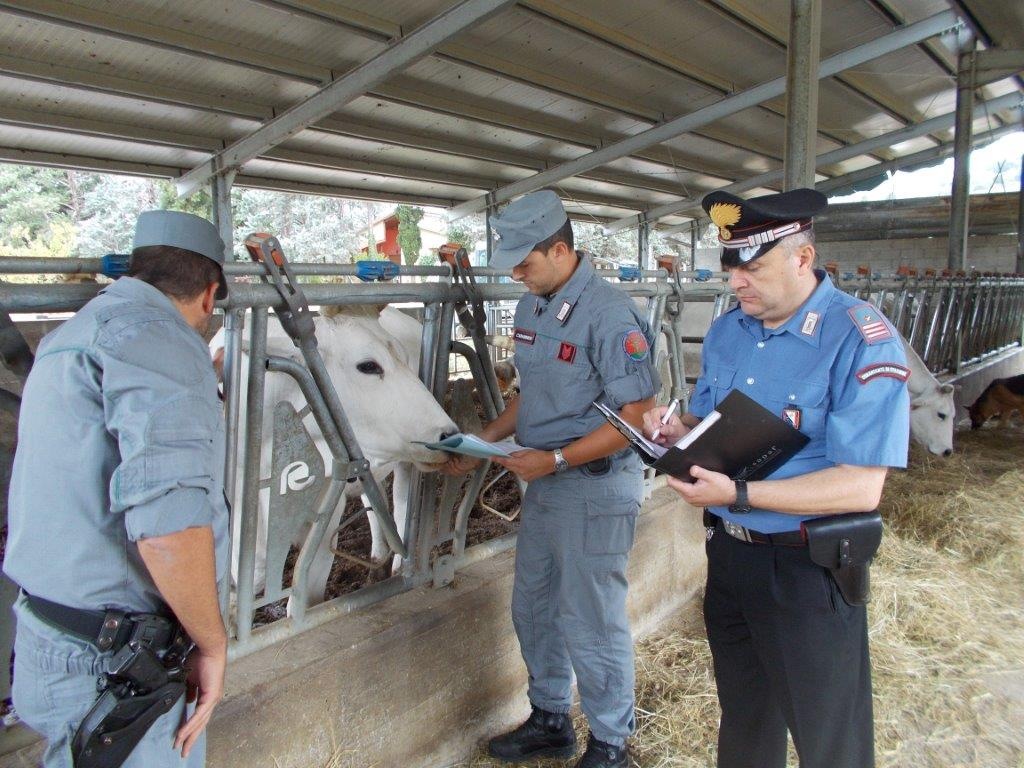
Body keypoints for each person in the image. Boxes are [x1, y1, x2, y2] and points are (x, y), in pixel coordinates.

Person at [643, 188, 910, 768]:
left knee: (827, 737)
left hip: (806, 568)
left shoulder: (858, 338)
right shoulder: (728, 331)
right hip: (731, 557)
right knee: (745, 719)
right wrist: (676, 432)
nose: (738, 282)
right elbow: (712, 424)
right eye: (731, 268)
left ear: (803, 258)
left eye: (754, 267)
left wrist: (738, 493)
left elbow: (862, 486)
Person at [4, 210, 232, 767]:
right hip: (118, 667)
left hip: (50, 634)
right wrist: (212, 642)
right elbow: (169, 525)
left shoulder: (71, 335)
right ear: (209, 295)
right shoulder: (163, 341)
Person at [442, 190, 659, 768]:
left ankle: (611, 743)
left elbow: (636, 420)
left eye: (524, 261)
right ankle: (551, 718)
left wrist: (556, 460)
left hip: (594, 483)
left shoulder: (612, 315)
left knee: (589, 616)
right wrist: (486, 440)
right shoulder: (534, 304)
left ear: (560, 249)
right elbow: (531, 396)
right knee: (534, 605)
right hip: (548, 483)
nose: (515, 273)